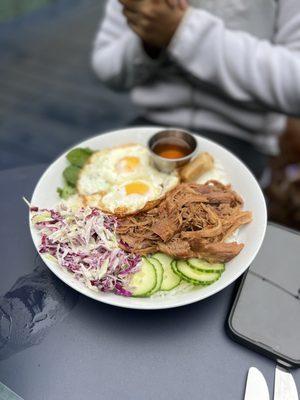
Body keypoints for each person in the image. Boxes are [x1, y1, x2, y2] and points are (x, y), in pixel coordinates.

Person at [91, 0, 300, 177]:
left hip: (244, 140)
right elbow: (106, 67)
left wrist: (182, 31)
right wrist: (147, 41)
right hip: (149, 125)